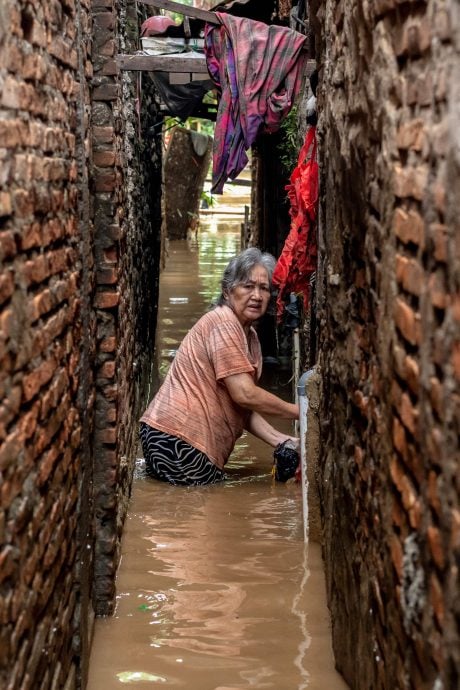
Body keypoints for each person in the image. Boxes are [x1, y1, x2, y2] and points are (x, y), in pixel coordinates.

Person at [139, 247, 299, 486]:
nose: (257, 295)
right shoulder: (224, 323)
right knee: (201, 510)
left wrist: (283, 440)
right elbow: (245, 394)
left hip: (171, 437)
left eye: (263, 288)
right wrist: (299, 412)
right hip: (178, 438)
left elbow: (240, 407)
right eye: (247, 286)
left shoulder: (250, 337)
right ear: (227, 291)